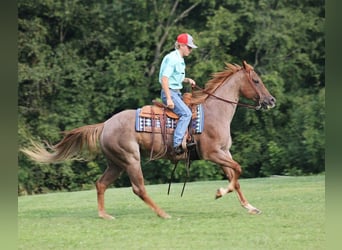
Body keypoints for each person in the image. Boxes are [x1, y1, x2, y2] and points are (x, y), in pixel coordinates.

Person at [159, 33, 198, 155]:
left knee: (192, 109)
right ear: (181, 45)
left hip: (176, 92)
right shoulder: (173, 59)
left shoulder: (179, 59)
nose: (190, 50)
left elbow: (174, 77)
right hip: (170, 93)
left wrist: (187, 80)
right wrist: (169, 99)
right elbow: (165, 79)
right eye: (189, 47)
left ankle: (187, 138)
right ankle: (176, 145)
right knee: (186, 114)